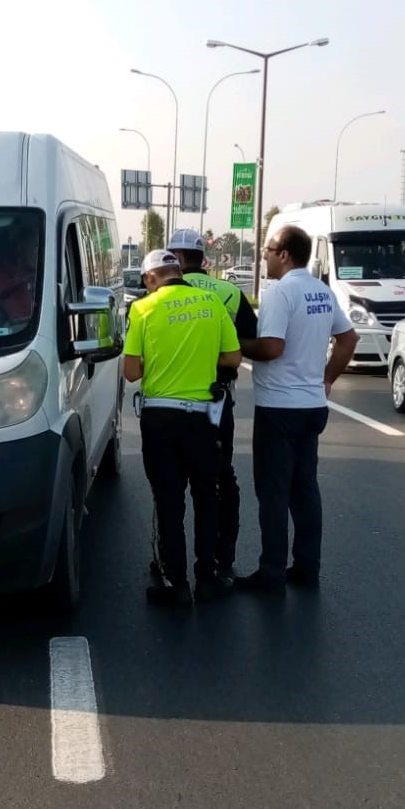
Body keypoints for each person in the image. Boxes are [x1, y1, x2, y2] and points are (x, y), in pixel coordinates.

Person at [237, 226, 358, 592]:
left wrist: (233, 345)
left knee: (273, 492)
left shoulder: (280, 293)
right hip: (311, 407)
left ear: (285, 254)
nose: (265, 257)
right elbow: (348, 338)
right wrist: (327, 379)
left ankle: (272, 573)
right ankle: (307, 567)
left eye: (269, 250)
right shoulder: (322, 291)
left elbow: (271, 348)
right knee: (305, 489)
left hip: (278, 407)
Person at [124, 248, 241, 605]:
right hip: (203, 419)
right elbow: (233, 358)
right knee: (207, 496)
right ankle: (206, 576)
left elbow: (132, 372)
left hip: (160, 419)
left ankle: (175, 583)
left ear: (149, 279)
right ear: (178, 271)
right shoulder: (211, 302)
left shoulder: (142, 308)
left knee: (168, 499)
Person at [167, 228, 258, 577]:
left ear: (175, 257)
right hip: (217, 402)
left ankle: (169, 567)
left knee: (170, 487)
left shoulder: (162, 295)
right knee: (219, 480)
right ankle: (220, 562)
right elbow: (248, 343)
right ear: (202, 258)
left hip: (171, 401)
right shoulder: (230, 292)